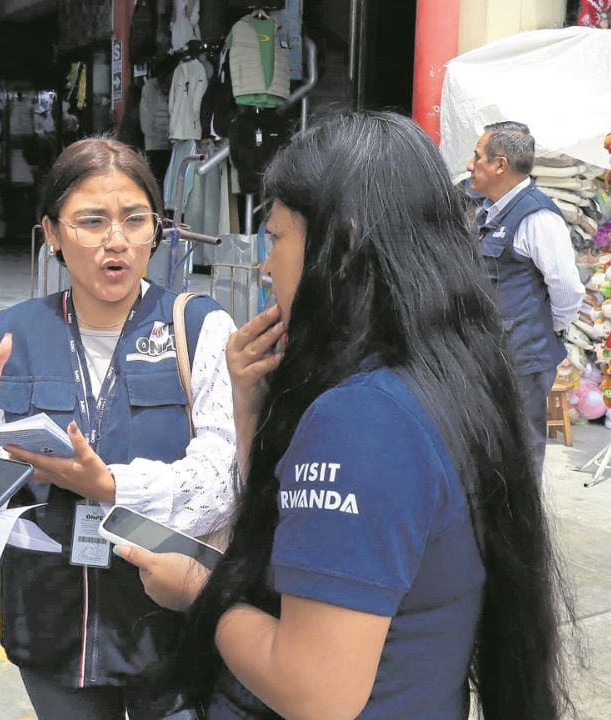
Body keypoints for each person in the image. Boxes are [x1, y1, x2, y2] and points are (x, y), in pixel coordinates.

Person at [118, 112, 574, 719]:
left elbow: (316, 690)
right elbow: (312, 537)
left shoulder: (364, 420)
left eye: (276, 238)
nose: (264, 265)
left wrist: (202, 592)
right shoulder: (449, 373)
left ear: (345, 241)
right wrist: (250, 407)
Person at [0, 137, 238, 719]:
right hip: (51, 625)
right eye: (91, 221)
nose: (116, 241)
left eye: (134, 219)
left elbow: (222, 480)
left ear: (157, 227)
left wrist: (110, 489)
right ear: (52, 233)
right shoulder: (14, 331)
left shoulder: (199, 327)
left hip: (167, 625)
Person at [465, 120, 584, 474]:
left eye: (477, 157)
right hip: (490, 351)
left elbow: (567, 288)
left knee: (519, 453)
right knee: (486, 450)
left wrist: (545, 328)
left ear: (500, 165)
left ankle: (522, 528)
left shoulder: (538, 217)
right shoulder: (488, 211)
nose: (471, 165)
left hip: (522, 358)